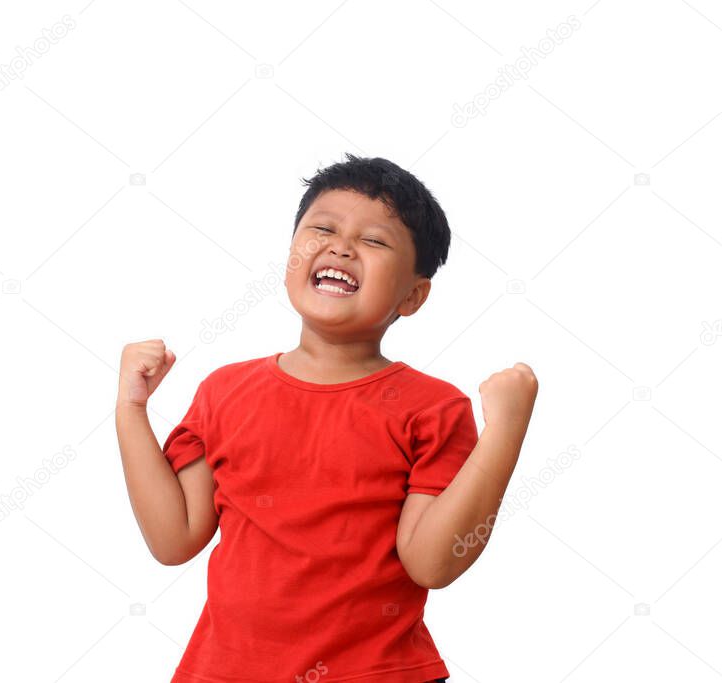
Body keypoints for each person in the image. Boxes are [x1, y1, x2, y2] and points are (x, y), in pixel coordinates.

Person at [116, 153, 538, 682]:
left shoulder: (433, 408)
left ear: (413, 295)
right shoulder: (225, 390)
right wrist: (132, 410)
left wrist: (506, 430)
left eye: (375, 241)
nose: (341, 246)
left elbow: (434, 563)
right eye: (323, 228)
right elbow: (173, 538)